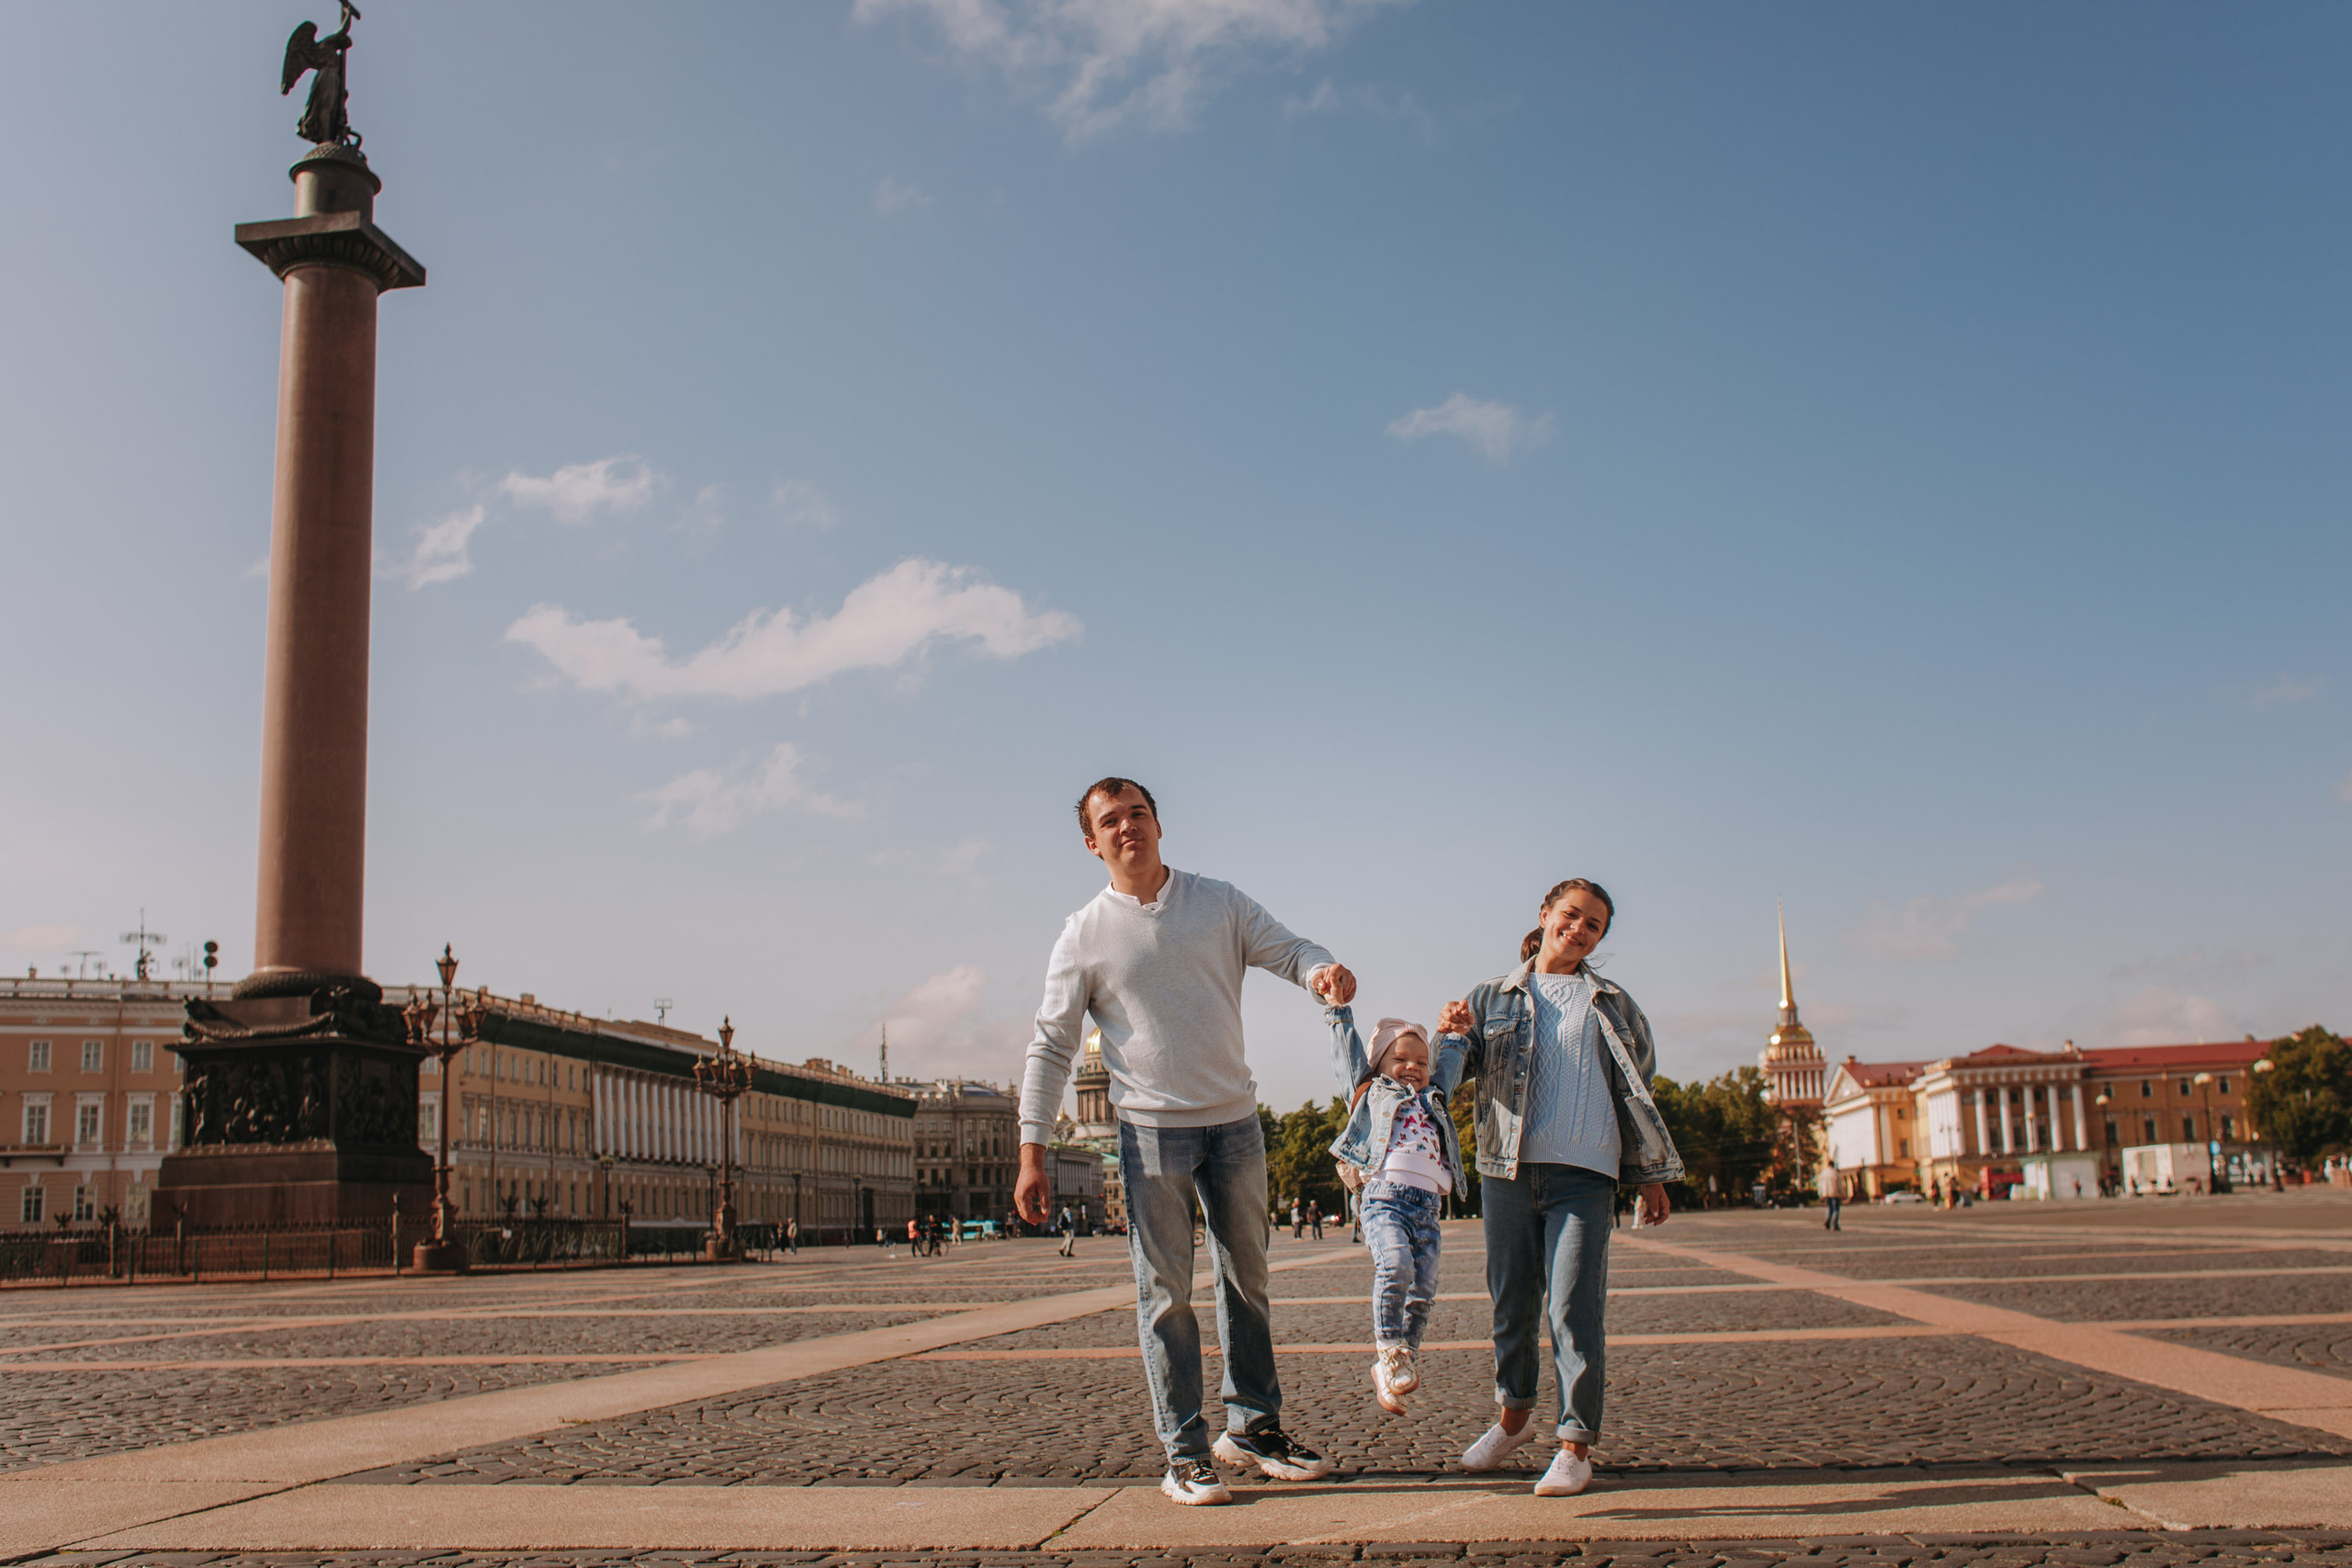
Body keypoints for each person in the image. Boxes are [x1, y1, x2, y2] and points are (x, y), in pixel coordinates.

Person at [1017, 777, 1351, 1506]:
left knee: (1248, 1280)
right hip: (1148, 1131)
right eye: (1111, 820)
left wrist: (1320, 970)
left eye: (1137, 812)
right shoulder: (1084, 931)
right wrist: (1032, 1148)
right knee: (1165, 1295)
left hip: (1234, 1120)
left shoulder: (1220, 901)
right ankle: (1186, 1449)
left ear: (1159, 823)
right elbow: (1052, 1046)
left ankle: (1255, 1427)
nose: (1127, 826)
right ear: (1092, 842)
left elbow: (1290, 949)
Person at [1435, 878, 1684, 1499]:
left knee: (1573, 1307)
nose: (1578, 928)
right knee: (1511, 1303)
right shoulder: (1491, 995)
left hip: (1586, 1175)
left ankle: (1574, 1445)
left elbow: (1639, 1093)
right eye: (1571, 915)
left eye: (1593, 924)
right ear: (1545, 914)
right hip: (1507, 1169)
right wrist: (1449, 1033)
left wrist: (1650, 1177)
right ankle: (1513, 1420)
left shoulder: (1615, 1003)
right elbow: (1452, 1073)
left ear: (1600, 936)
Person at [1327, 1010, 1464, 1416]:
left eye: (1421, 1062)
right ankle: (1388, 1350)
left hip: (1428, 1207)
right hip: (1384, 1200)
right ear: (1380, 1065)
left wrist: (1452, 1033)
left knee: (1424, 1289)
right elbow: (1347, 1056)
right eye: (1401, 1059)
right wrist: (1337, 1012)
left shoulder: (1433, 1097)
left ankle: (1400, 1363)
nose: (1413, 1068)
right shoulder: (1371, 1091)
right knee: (1397, 1266)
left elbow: (1450, 1066)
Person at [1818, 1163, 1842, 1231]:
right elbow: (1839, 1184)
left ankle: (1827, 1221)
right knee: (1836, 1209)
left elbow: (1820, 1184)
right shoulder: (1835, 1173)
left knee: (1829, 1208)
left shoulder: (1823, 1173)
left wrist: (1820, 1194)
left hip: (1826, 1193)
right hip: (1835, 1193)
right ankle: (1835, 1224)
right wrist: (1843, 1193)